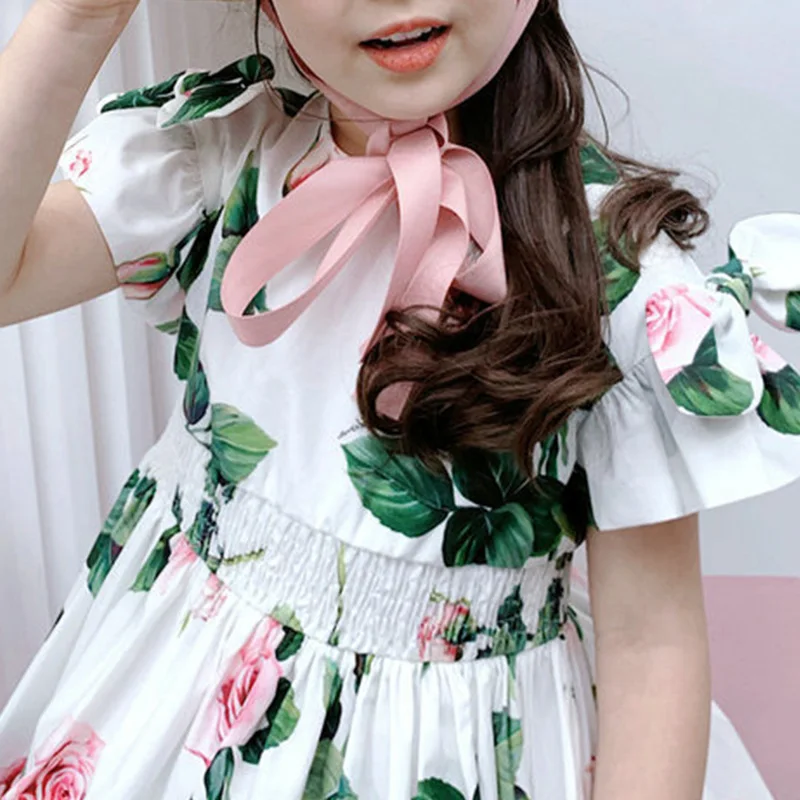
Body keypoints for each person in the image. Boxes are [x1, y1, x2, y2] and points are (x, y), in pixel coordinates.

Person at [0, 0, 797, 797]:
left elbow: (651, 645)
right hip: (171, 714)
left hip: (460, 757)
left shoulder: (613, 276)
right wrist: (77, 18)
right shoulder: (219, 161)